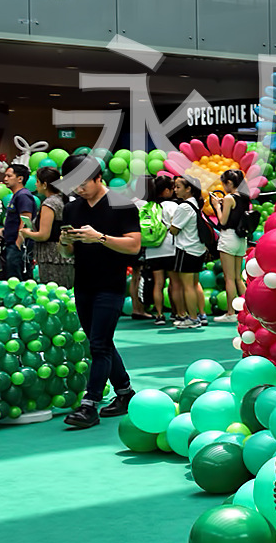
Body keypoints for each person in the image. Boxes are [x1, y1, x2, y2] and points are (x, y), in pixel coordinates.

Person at [58, 153, 142, 428]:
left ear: (98, 178)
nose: (79, 189)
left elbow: (134, 246)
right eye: (74, 184)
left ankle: (89, 404)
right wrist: (65, 242)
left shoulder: (122, 205)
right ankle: (125, 392)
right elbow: (68, 252)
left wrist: (100, 238)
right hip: (83, 284)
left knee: (99, 345)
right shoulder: (72, 209)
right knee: (101, 342)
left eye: (83, 183)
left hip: (111, 285)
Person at [164, 176, 211, 328]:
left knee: (187, 286)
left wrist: (170, 223)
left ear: (188, 189)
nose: (175, 190)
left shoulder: (184, 207)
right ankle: (201, 315)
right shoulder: (195, 203)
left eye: (178, 187)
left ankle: (193, 318)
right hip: (197, 249)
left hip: (186, 250)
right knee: (195, 284)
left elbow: (174, 230)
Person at [207, 169, 251, 324]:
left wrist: (217, 206)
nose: (223, 187)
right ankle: (249, 310)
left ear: (230, 183)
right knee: (238, 278)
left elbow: (222, 221)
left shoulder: (229, 198)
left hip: (228, 238)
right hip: (241, 239)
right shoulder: (244, 197)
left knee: (229, 279)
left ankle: (231, 312)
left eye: (224, 184)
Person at [22, 163, 73, 289]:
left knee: (52, 292)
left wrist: (26, 233)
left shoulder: (49, 204)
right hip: (64, 256)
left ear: (44, 184)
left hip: (52, 257)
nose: (35, 184)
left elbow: (43, 235)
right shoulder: (62, 200)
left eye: (37, 181)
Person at [136, 174, 176, 323]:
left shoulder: (148, 206)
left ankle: (159, 315)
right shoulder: (171, 205)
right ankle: (176, 312)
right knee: (173, 283)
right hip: (170, 247)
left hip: (152, 249)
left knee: (158, 283)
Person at [0, 163, 39, 280]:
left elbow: (25, 220)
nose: (5, 179)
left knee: (17, 279)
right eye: (5, 176)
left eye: (9, 176)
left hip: (19, 245)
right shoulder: (16, 195)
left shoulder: (23, 196)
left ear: (20, 179)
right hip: (11, 243)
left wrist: (18, 243)